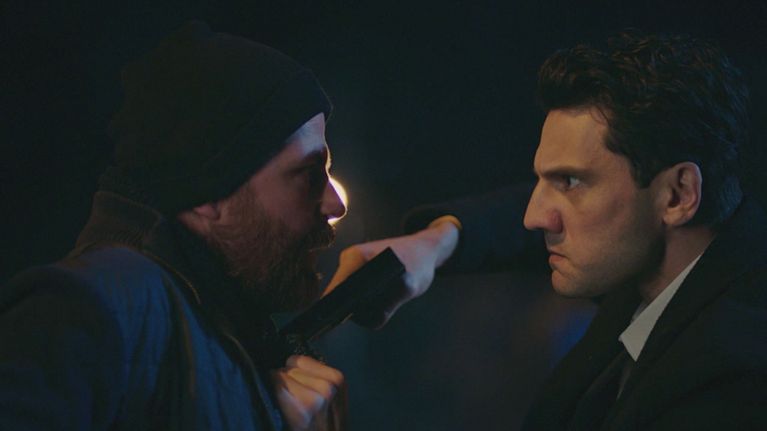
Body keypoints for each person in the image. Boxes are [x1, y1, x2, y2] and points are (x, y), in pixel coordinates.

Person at [331, 31, 767, 429]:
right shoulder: (673, 266)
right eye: (543, 180)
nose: (533, 216)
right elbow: (524, 218)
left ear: (677, 195)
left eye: (569, 181)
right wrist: (435, 242)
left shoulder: (734, 378)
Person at [1, 21, 348, 430]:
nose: (335, 204)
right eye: (308, 174)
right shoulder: (95, 307)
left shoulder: (210, 316)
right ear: (211, 194)